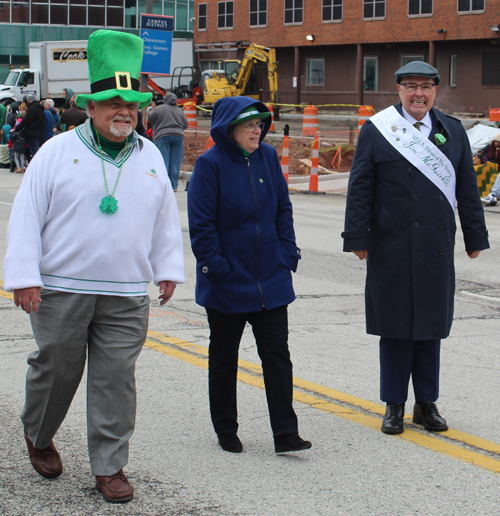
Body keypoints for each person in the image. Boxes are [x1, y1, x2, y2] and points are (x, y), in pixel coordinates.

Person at [4, 29, 185, 504]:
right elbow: (26, 215)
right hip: (61, 288)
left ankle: (109, 466)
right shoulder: (56, 152)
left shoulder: (148, 158)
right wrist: (23, 275)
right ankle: (38, 434)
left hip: (125, 292)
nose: (124, 111)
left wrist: (167, 268)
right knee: (57, 368)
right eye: (112, 103)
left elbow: (165, 219)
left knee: (116, 379)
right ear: (91, 106)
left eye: (131, 103)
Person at [342, 62, 489, 436]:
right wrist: (357, 237)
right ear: (399, 90)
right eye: (411, 86)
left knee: (430, 328)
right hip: (390, 243)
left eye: (425, 86)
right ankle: (394, 404)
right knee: (395, 327)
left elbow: (467, 190)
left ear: (436, 91)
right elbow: (360, 187)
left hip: (434, 247)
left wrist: (475, 236)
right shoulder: (377, 130)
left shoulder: (452, 131)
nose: (418, 93)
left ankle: (426, 404)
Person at [188, 97, 311, 454]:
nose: (257, 130)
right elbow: (202, 227)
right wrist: (219, 269)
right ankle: (226, 429)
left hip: (271, 278)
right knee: (224, 358)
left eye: (260, 124)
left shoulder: (268, 158)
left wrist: (287, 251)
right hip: (228, 282)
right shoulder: (209, 167)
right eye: (249, 124)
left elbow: (282, 209)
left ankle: (285, 433)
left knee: (277, 356)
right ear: (230, 129)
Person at [148, 92, 188, 192]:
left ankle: (164, 185)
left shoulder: (160, 108)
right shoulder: (179, 110)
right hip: (178, 137)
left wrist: (152, 109)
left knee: (163, 161)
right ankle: (174, 186)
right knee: (176, 161)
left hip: (163, 136)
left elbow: (150, 118)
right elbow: (186, 124)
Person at [479, 134, 500, 205]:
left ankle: (493, 196)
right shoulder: (490, 147)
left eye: (498, 142)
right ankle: (492, 195)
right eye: (495, 141)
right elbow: (481, 152)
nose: (496, 143)